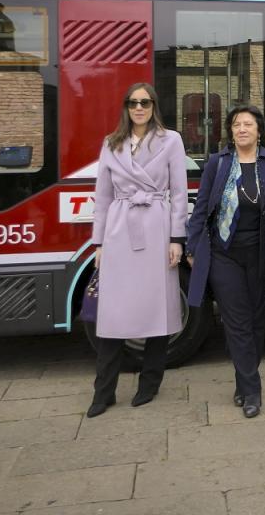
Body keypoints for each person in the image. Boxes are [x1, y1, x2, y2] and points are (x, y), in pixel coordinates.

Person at [185, 105, 265, 418]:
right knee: (237, 323)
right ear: (231, 132)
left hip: (261, 255)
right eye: (236, 125)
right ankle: (252, 390)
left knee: (258, 322)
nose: (242, 129)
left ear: (259, 130)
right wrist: (193, 246)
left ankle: (242, 380)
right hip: (224, 255)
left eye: (248, 124)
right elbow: (202, 208)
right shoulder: (217, 164)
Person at [87, 83, 187, 417]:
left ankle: (150, 383)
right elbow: (101, 196)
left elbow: (179, 192)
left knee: (156, 309)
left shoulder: (171, 140)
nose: (139, 108)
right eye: (133, 103)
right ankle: (104, 391)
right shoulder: (111, 143)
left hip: (156, 227)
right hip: (119, 231)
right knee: (113, 314)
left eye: (145, 102)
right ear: (126, 107)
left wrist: (177, 238)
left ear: (154, 106)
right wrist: (98, 243)